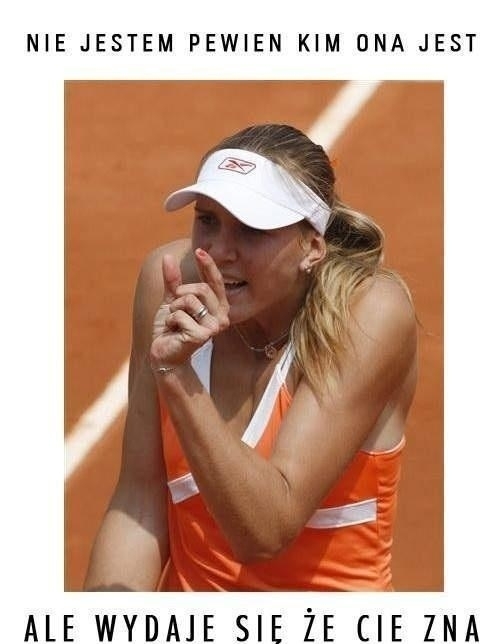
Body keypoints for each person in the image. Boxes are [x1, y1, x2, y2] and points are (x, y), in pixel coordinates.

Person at [84, 123, 417, 591]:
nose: (218, 252)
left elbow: (266, 531)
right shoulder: (169, 285)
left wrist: (177, 375)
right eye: (208, 220)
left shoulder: (367, 314)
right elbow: (139, 503)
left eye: (252, 229)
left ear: (312, 246)